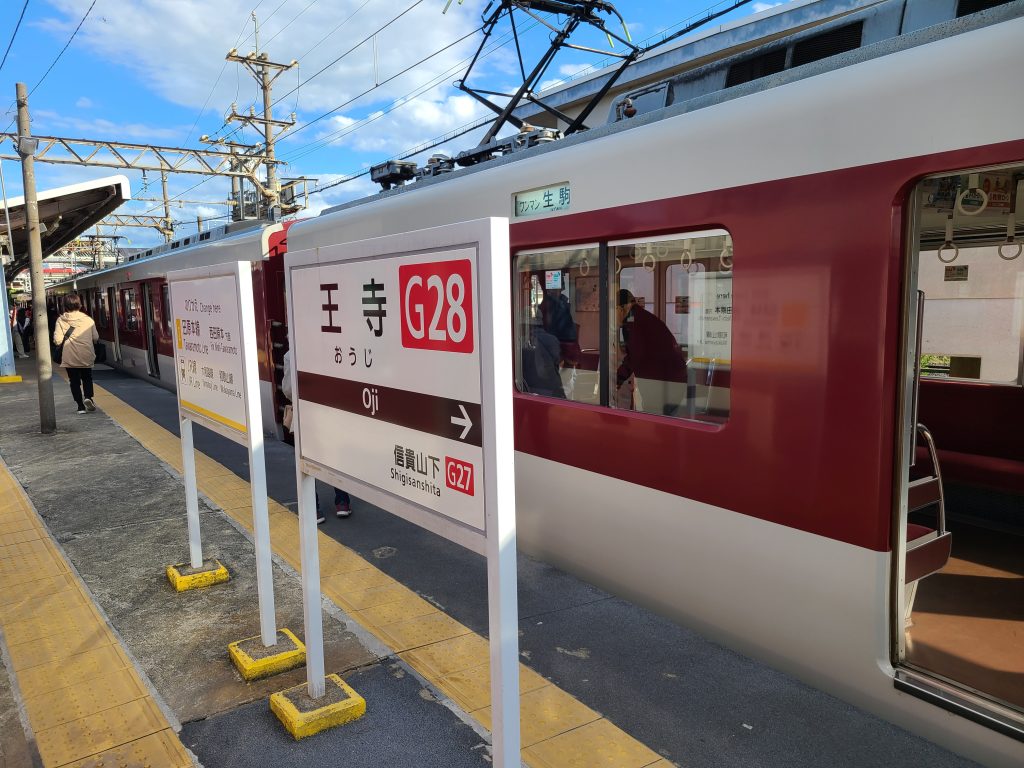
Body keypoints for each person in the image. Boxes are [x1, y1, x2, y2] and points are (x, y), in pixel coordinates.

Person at [281, 348, 352, 524]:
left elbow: (289, 389)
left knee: (306, 460)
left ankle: (313, 509)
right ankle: (342, 503)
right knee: (333, 457)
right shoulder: (330, 347)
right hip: (329, 412)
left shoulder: (292, 354)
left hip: (305, 415)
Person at [615, 289, 686, 416]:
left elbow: (636, 356)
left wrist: (618, 378)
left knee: (657, 421)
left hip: (663, 384)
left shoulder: (633, 322)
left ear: (622, 308)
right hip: (672, 379)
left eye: (613, 310)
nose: (613, 315)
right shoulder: (640, 317)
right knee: (663, 422)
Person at [52, 293, 99, 415]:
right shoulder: (88, 320)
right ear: (79, 304)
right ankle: (88, 397)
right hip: (86, 353)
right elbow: (96, 337)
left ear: (64, 306)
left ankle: (80, 406)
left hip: (69, 356)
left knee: (74, 381)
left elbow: (57, 340)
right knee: (87, 377)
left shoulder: (61, 320)